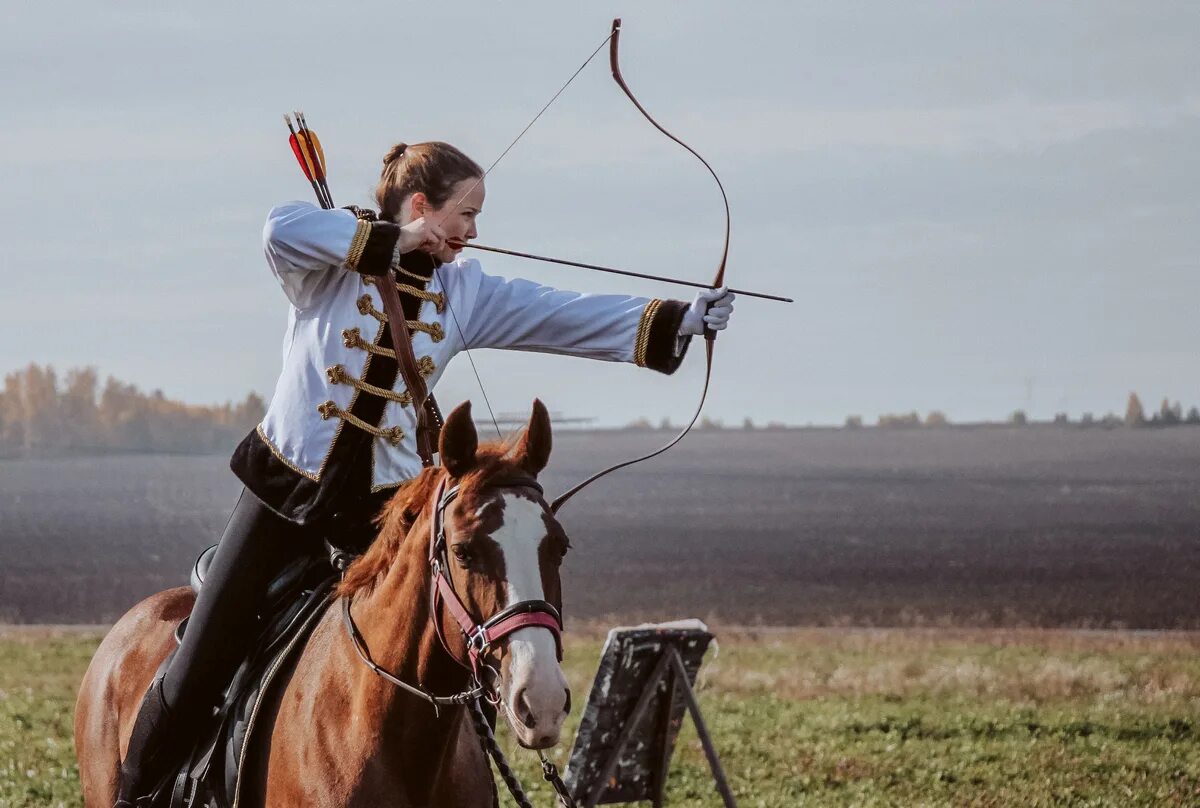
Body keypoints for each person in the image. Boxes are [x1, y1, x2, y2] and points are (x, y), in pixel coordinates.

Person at [114, 140, 735, 806]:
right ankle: (135, 796)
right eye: (465, 213)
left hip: (383, 521)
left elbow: (560, 312)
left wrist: (679, 319)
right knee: (197, 666)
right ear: (419, 206)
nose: (473, 231)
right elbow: (279, 228)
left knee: (454, 668)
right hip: (281, 501)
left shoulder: (460, 290)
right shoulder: (328, 265)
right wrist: (390, 239)